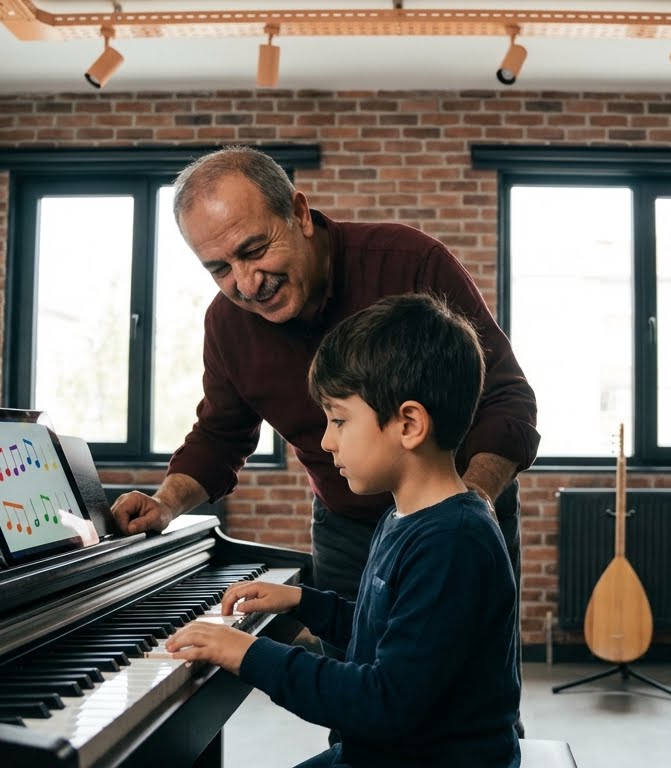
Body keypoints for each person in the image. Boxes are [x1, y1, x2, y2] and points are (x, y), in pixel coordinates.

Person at [110, 145, 539, 605]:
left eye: (254, 250)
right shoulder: (226, 324)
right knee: (351, 659)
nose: (248, 284)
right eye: (219, 269)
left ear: (299, 213)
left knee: (463, 670)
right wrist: (166, 503)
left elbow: (505, 400)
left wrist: (466, 508)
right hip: (346, 529)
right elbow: (220, 436)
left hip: (464, 508)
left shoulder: (411, 262)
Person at [165, 293, 521, 768]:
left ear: (409, 424)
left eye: (338, 420)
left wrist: (248, 654)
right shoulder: (404, 517)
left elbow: (382, 702)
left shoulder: (452, 542)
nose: (326, 441)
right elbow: (388, 630)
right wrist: (306, 603)